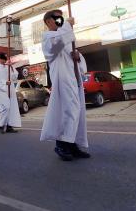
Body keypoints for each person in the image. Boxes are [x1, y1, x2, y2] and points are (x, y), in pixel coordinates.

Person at [40, 9, 90, 161]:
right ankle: (61, 145)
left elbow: (81, 66)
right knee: (67, 112)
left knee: (76, 113)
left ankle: (72, 144)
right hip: (62, 81)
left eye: (61, 19)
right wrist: (68, 25)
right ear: (49, 21)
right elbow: (56, 46)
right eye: (57, 19)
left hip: (73, 81)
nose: (60, 21)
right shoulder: (48, 37)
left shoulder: (66, 38)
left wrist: (78, 57)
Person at [0, 52, 22, 134]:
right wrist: (5, 83)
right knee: (6, 107)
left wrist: (11, 66)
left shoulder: (8, 67)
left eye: (5, 59)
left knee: (12, 107)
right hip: (2, 90)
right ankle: (0, 125)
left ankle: (9, 126)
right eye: (2, 59)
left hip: (11, 89)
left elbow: (14, 76)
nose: (4, 60)